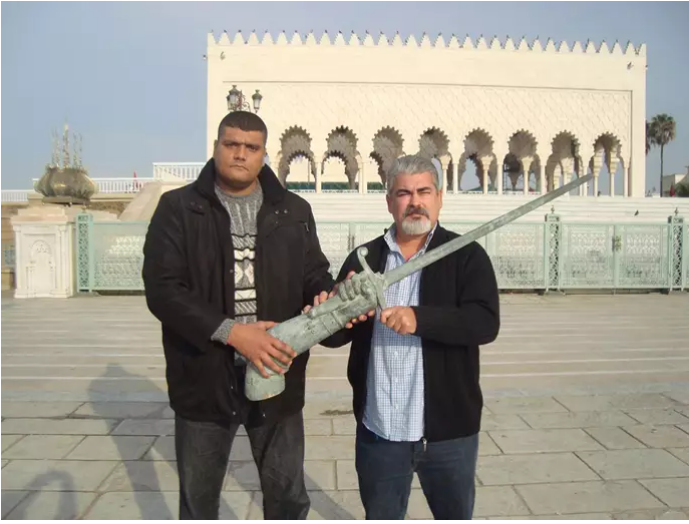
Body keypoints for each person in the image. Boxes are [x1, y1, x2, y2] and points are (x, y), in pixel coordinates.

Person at [142, 110, 336, 519]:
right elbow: (163, 289)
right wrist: (233, 333)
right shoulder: (179, 208)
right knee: (199, 502)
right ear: (216, 147)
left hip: (277, 372)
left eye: (251, 147)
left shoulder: (294, 210)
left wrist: (323, 293)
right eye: (231, 144)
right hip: (204, 378)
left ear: (265, 154)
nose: (240, 154)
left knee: (287, 498)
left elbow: (314, 273)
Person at [320, 154, 501, 520]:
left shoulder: (465, 255)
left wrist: (420, 319)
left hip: (449, 435)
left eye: (424, 191)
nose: (415, 201)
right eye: (404, 193)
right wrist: (331, 312)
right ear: (390, 201)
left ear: (439, 197)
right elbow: (334, 337)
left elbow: (484, 322)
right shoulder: (366, 258)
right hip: (380, 432)